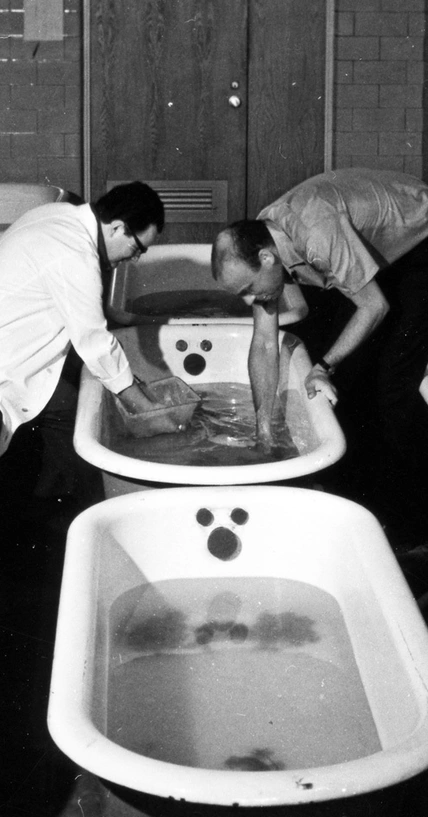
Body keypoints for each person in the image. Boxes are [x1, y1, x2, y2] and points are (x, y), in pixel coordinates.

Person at [211, 168, 428, 547]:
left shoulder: (314, 235)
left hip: (420, 246)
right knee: (349, 381)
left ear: (266, 258)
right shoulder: (267, 238)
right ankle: (365, 502)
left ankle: (416, 530)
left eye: (248, 290)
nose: (249, 302)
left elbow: (374, 306)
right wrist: (263, 431)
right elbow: (264, 343)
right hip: (381, 252)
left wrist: (324, 367)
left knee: (392, 389)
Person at [0, 181, 180, 552]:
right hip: (9, 365)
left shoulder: (59, 215)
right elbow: (94, 342)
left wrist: (124, 318)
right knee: (79, 421)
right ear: (117, 227)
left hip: (19, 348)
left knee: (74, 408)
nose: (134, 259)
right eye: (137, 248)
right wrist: (145, 409)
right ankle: (95, 529)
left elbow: (73, 293)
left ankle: (55, 500)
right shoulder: (75, 251)